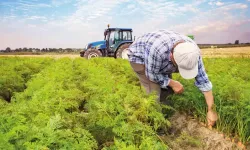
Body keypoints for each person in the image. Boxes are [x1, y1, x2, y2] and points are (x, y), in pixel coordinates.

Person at [127, 30, 218, 127]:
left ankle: (167, 113)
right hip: (139, 56)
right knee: (152, 92)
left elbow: (203, 81)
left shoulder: (193, 52)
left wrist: (211, 110)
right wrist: (173, 83)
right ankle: (156, 125)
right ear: (172, 57)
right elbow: (152, 75)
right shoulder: (158, 50)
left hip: (160, 58)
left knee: (167, 89)